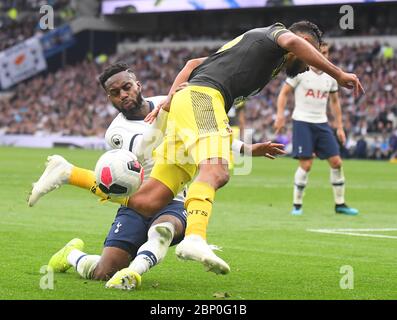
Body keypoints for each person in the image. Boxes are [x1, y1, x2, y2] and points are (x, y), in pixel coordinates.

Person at [101, 21, 364, 287]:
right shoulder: (276, 35)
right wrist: (338, 74)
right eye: (313, 56)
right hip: (203, 97)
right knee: (216, 171)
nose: (310, 65)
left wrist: (171, 99)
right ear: (304, 43)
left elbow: (193, 63)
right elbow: (293, 42)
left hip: (193, 101)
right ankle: (195, 238)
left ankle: (71, 174)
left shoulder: (262, 56)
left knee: (149, 199)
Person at [29, 63, 285, 290]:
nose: (123, 95)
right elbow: (125, 175)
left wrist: (247, 149)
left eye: (127, 87)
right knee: (103, 272)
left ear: (137, 84)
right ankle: (72, 254)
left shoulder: (173, 101)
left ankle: (134, 271)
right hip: (138, 200)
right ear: (109, 98)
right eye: (115, 93)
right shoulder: (116, 133)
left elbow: (208, 131)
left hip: (175, 197)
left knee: (163, 229)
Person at [274, 42, 359, 216]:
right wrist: (280, 115)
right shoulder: (300, 71)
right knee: (306, 164)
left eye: (326, 52)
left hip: (322, 123)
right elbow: (283, 93)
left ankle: (340, 204)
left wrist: (340, 127)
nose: (324, 56)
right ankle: (297, 205)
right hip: (302, 121)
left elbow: (335, 102)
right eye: (321, 52)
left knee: (337, 162)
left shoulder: (331, 76)